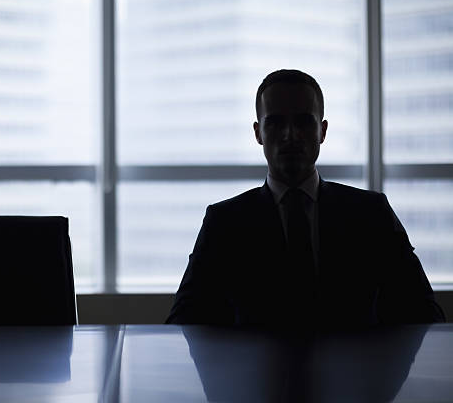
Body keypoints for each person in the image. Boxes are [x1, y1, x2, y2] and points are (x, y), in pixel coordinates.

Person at [166, 69, 445, 326]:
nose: (290, 135)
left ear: (322, 131)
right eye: (275, 123)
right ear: (258, 133)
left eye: (303, 122)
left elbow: (423, 312)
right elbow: (183, 323)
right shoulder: (224, 224)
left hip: (354, 380)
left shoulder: (371, 214)